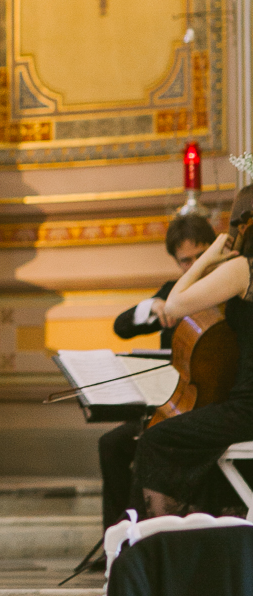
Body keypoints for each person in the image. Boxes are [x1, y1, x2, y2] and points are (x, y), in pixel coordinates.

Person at [132, 184, 253, 516]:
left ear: (242, 225)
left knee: (155, 441)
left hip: (248, 409)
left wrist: (209, 259)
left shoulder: (244, 269)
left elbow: (174, 304)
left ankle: (164, 544)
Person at [98, 213, 216, 532]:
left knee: (151, 441)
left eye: (200, 256)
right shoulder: (171, 291)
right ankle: (117, 537)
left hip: (207, 407)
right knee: (111, 444)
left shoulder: (226, 288)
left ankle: (147, 533)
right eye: (184, 261)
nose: (192, 267)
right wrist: (151, 306)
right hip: (172, 404)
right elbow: (121, 327)